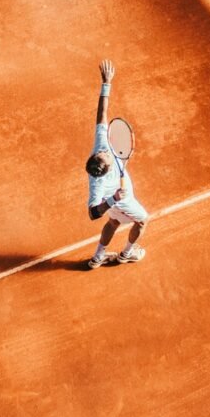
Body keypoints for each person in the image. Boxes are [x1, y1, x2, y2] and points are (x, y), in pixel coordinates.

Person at [85, 59, 148, 269]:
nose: (106, 151)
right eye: (106, 155)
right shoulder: (98, 184)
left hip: (113, 203)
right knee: (142, 221)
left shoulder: (100, 147)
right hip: (121, 202)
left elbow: (101, 114)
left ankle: (97, 258)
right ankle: (126, 254)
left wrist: (106, 83)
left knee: (113, 222)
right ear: (107, 168)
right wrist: (113, 200)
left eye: (102, 152)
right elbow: (93, 213)